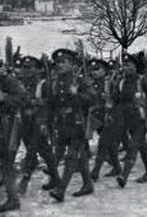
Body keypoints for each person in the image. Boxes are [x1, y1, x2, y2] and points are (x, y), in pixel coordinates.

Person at [48, 49, 96, 202]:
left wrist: (76, 94)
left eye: (64, 62)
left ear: (72, 64)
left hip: (77, 123)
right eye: (58, 62)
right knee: (79, 158)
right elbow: (53, 103)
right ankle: (88, 185)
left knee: (71, 156)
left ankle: (61, 190)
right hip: (62, 124)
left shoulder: (80, 80)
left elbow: (91, 98)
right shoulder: (55, 81)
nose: (60, 65)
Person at [14, 55, 60, 194]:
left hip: (39, 122)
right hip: (25, 122)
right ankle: (56, 177)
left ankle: (25, 180)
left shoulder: (44, 84)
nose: (26, 70)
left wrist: (44, 122)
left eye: (30, 67)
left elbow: (51, 104)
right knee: (44, 151)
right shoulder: (21, 83)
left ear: (38, 69)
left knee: (32, 150)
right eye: (24, 67)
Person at [113, 54, 147, 188]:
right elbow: (116, 100)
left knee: (132, 147)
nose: (125, 68)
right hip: (126, 120)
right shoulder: (121, 82)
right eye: (124, 65)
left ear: (135, 67)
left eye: (129, 65)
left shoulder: (143, 81)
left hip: (141, 119)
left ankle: (124, 175)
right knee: (142, 146)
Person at [0, 61, 28, 212]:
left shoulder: (8, 80)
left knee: (6, 163)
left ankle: (13, 199)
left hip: (6, 128)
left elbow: (23, 99)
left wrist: (4, 98)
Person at [89, 59, 122, 181]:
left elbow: (118, 99)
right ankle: (117, 167)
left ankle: (95, 171)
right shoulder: (92, 84)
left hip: (111, 117)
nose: (95, 72)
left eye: (98, 69)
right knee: (110, 147)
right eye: (93, 70)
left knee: (103, 145)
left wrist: (110, 98)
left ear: (104, 70)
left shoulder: (111, 82)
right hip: (98, 119)